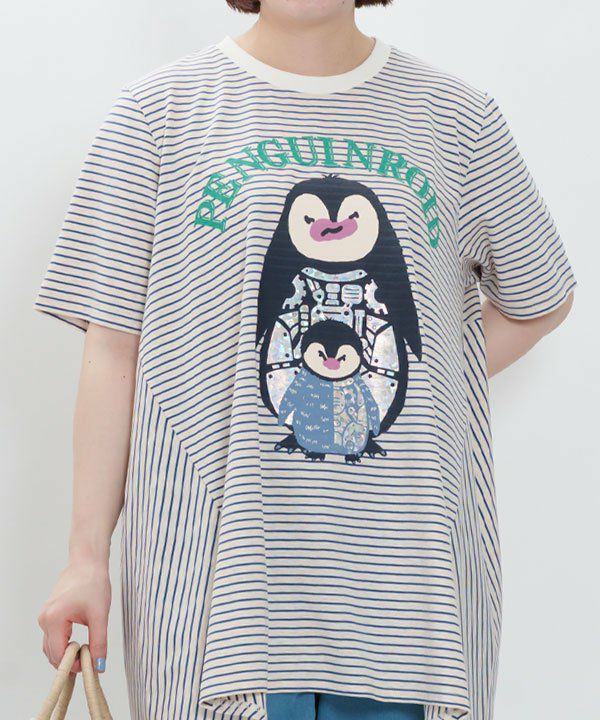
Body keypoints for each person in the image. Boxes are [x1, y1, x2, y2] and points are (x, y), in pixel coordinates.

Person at [34, 1, 576, 719]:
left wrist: (393, 384)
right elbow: (113, 349)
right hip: (214, 575)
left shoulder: (457, 119)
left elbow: (541, 299)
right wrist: (86, 559)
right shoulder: (156, 115)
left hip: (406, 586)